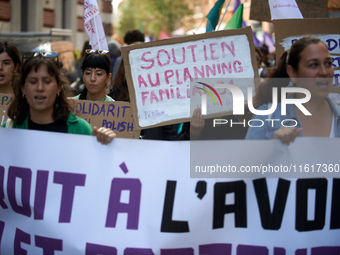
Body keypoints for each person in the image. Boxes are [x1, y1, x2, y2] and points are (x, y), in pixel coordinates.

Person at [2, 52, 116, 145]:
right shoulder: (8, 129)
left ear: (58, 88)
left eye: (47, 82)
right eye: (33, 82)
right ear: (23, 89)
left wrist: (105, 144)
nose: (40, 88)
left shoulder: (81, 130)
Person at [246, 36, 338, 145]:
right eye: (313, 65)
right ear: (293, 73)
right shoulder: (266, 117)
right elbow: (246, 161)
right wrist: (272, 148)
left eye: (328, 63)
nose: (324, 72)